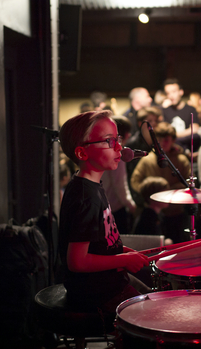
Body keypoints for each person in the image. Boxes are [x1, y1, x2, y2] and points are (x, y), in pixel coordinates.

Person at [58, 110, 149, 314]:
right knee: (156, 315)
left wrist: (123, 252)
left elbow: (99, 244)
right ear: (82, 153)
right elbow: (77, 261)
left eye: (117, 139)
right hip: (95, 291)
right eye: (109, 141)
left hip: (107, 281)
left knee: (155, 296)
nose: (120, 147)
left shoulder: (92, 185)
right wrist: (123, 260)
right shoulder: (85, 197)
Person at [130, 122, 191, 243]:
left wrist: (169, 192)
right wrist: (151, 192)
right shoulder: (147, 160)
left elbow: (188, 183)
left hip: (176, 211)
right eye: (160, 139)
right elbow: (135, 181)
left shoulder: (181, 160)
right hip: (155, 212)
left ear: (173, 140)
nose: (163, 142)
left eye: (167, 139)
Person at [101, 116, 137, 234]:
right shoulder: (117, 154)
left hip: (101, 207)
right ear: (126, 135)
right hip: (114, 209)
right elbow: (120, 185)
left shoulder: (103, 150)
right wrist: (131, 205)